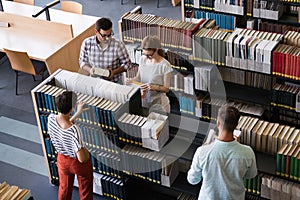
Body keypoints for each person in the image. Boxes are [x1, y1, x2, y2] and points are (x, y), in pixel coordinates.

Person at [187, 105, 257, 200]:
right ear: (236, 125)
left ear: (218, 123)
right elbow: (250, 175)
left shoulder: (202, 152)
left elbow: (192, 180)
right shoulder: (247, 152)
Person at [47, 91, 93, 200]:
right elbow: (82, 159)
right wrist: (87, 151)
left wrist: (77, 113)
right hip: (76, 163)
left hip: (62, 160)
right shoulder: (74, 130)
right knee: (85, 190)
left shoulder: (51, 119)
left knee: (64, 188)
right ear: (72, 108)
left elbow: (63, 128)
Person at [127, 35, 173, 114]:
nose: (147, 57)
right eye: (145, 54)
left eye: (150, 55)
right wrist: (130, 81)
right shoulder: (142, 59)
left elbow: (166, 88)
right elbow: (138, 78)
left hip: (160, 105)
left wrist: (153, 87)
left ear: (156, 50)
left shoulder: (165, 65)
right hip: (144, 102)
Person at [79, 17, 132, 83]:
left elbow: (128, 64)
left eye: (109, 35)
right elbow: (82, 62)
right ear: (96, 32)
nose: (107, 38)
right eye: (104, 36)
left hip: (115, 82)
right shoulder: (87, 43)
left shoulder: (118, 45)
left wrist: (114, 72)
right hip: (95, 81)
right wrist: (90, 70)